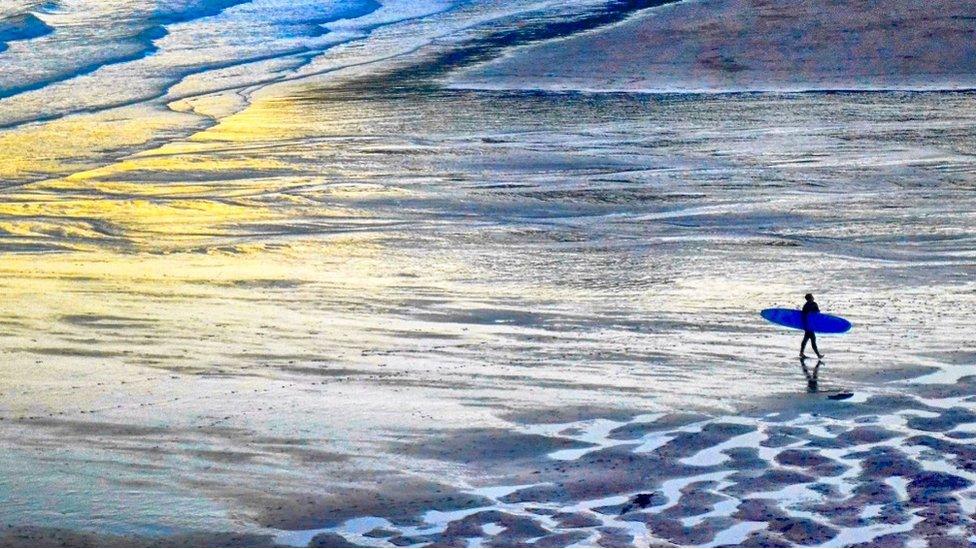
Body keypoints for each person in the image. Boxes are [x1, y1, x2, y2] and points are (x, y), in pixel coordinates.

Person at [800, 293, 824, 359]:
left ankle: (801, 353)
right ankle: (818, 355)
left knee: (805, 339)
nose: (813, 298)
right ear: (811, 298)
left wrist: (804, 325)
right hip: (810, 325)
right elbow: (817, 313)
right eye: (812, 297)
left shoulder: (805, 305)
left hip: (806, 325)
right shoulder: (814, 304)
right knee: (813, 339)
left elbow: (803, 316)